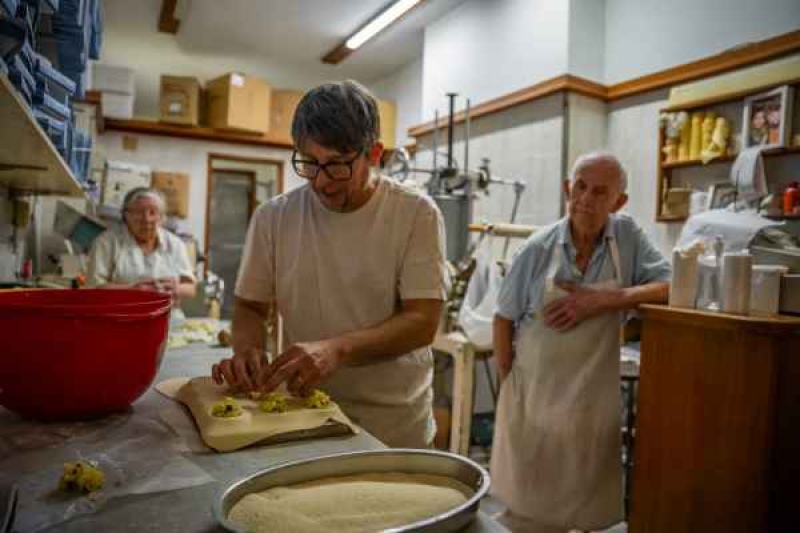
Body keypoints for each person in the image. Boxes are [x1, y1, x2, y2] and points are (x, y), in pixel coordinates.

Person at [211, 80, 447, 448]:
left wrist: (337, 349)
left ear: (374, 154)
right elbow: (250, 307)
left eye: (337, 165)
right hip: (301, 413)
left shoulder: (415, 214)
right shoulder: (274, 218)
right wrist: (247, 352)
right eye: (309, 163)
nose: (321, 182)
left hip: (393, 424)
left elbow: (422, 322)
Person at [491, 152, 670, 533]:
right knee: (529, 509)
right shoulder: (537, 249)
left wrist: (604, 299)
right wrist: (510, 384)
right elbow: (503, 318)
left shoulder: (628, 238)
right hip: (537, 395)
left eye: (600, 192)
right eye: (580, 187)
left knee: (587, 509)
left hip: (591, 400)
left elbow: (671, 286)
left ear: (619, 202)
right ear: (567, 189)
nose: (586, 199)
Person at [86, 187, 196, 305]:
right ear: (126, 215)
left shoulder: (175, 244)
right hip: (119, 315)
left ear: (162, 217)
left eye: (153, 212)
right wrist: (133, 290)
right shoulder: (106, 242)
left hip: (165, 315)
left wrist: (176, 289)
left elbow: (191, 288)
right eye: (138, 212)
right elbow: (94, 288)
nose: (146, 219)